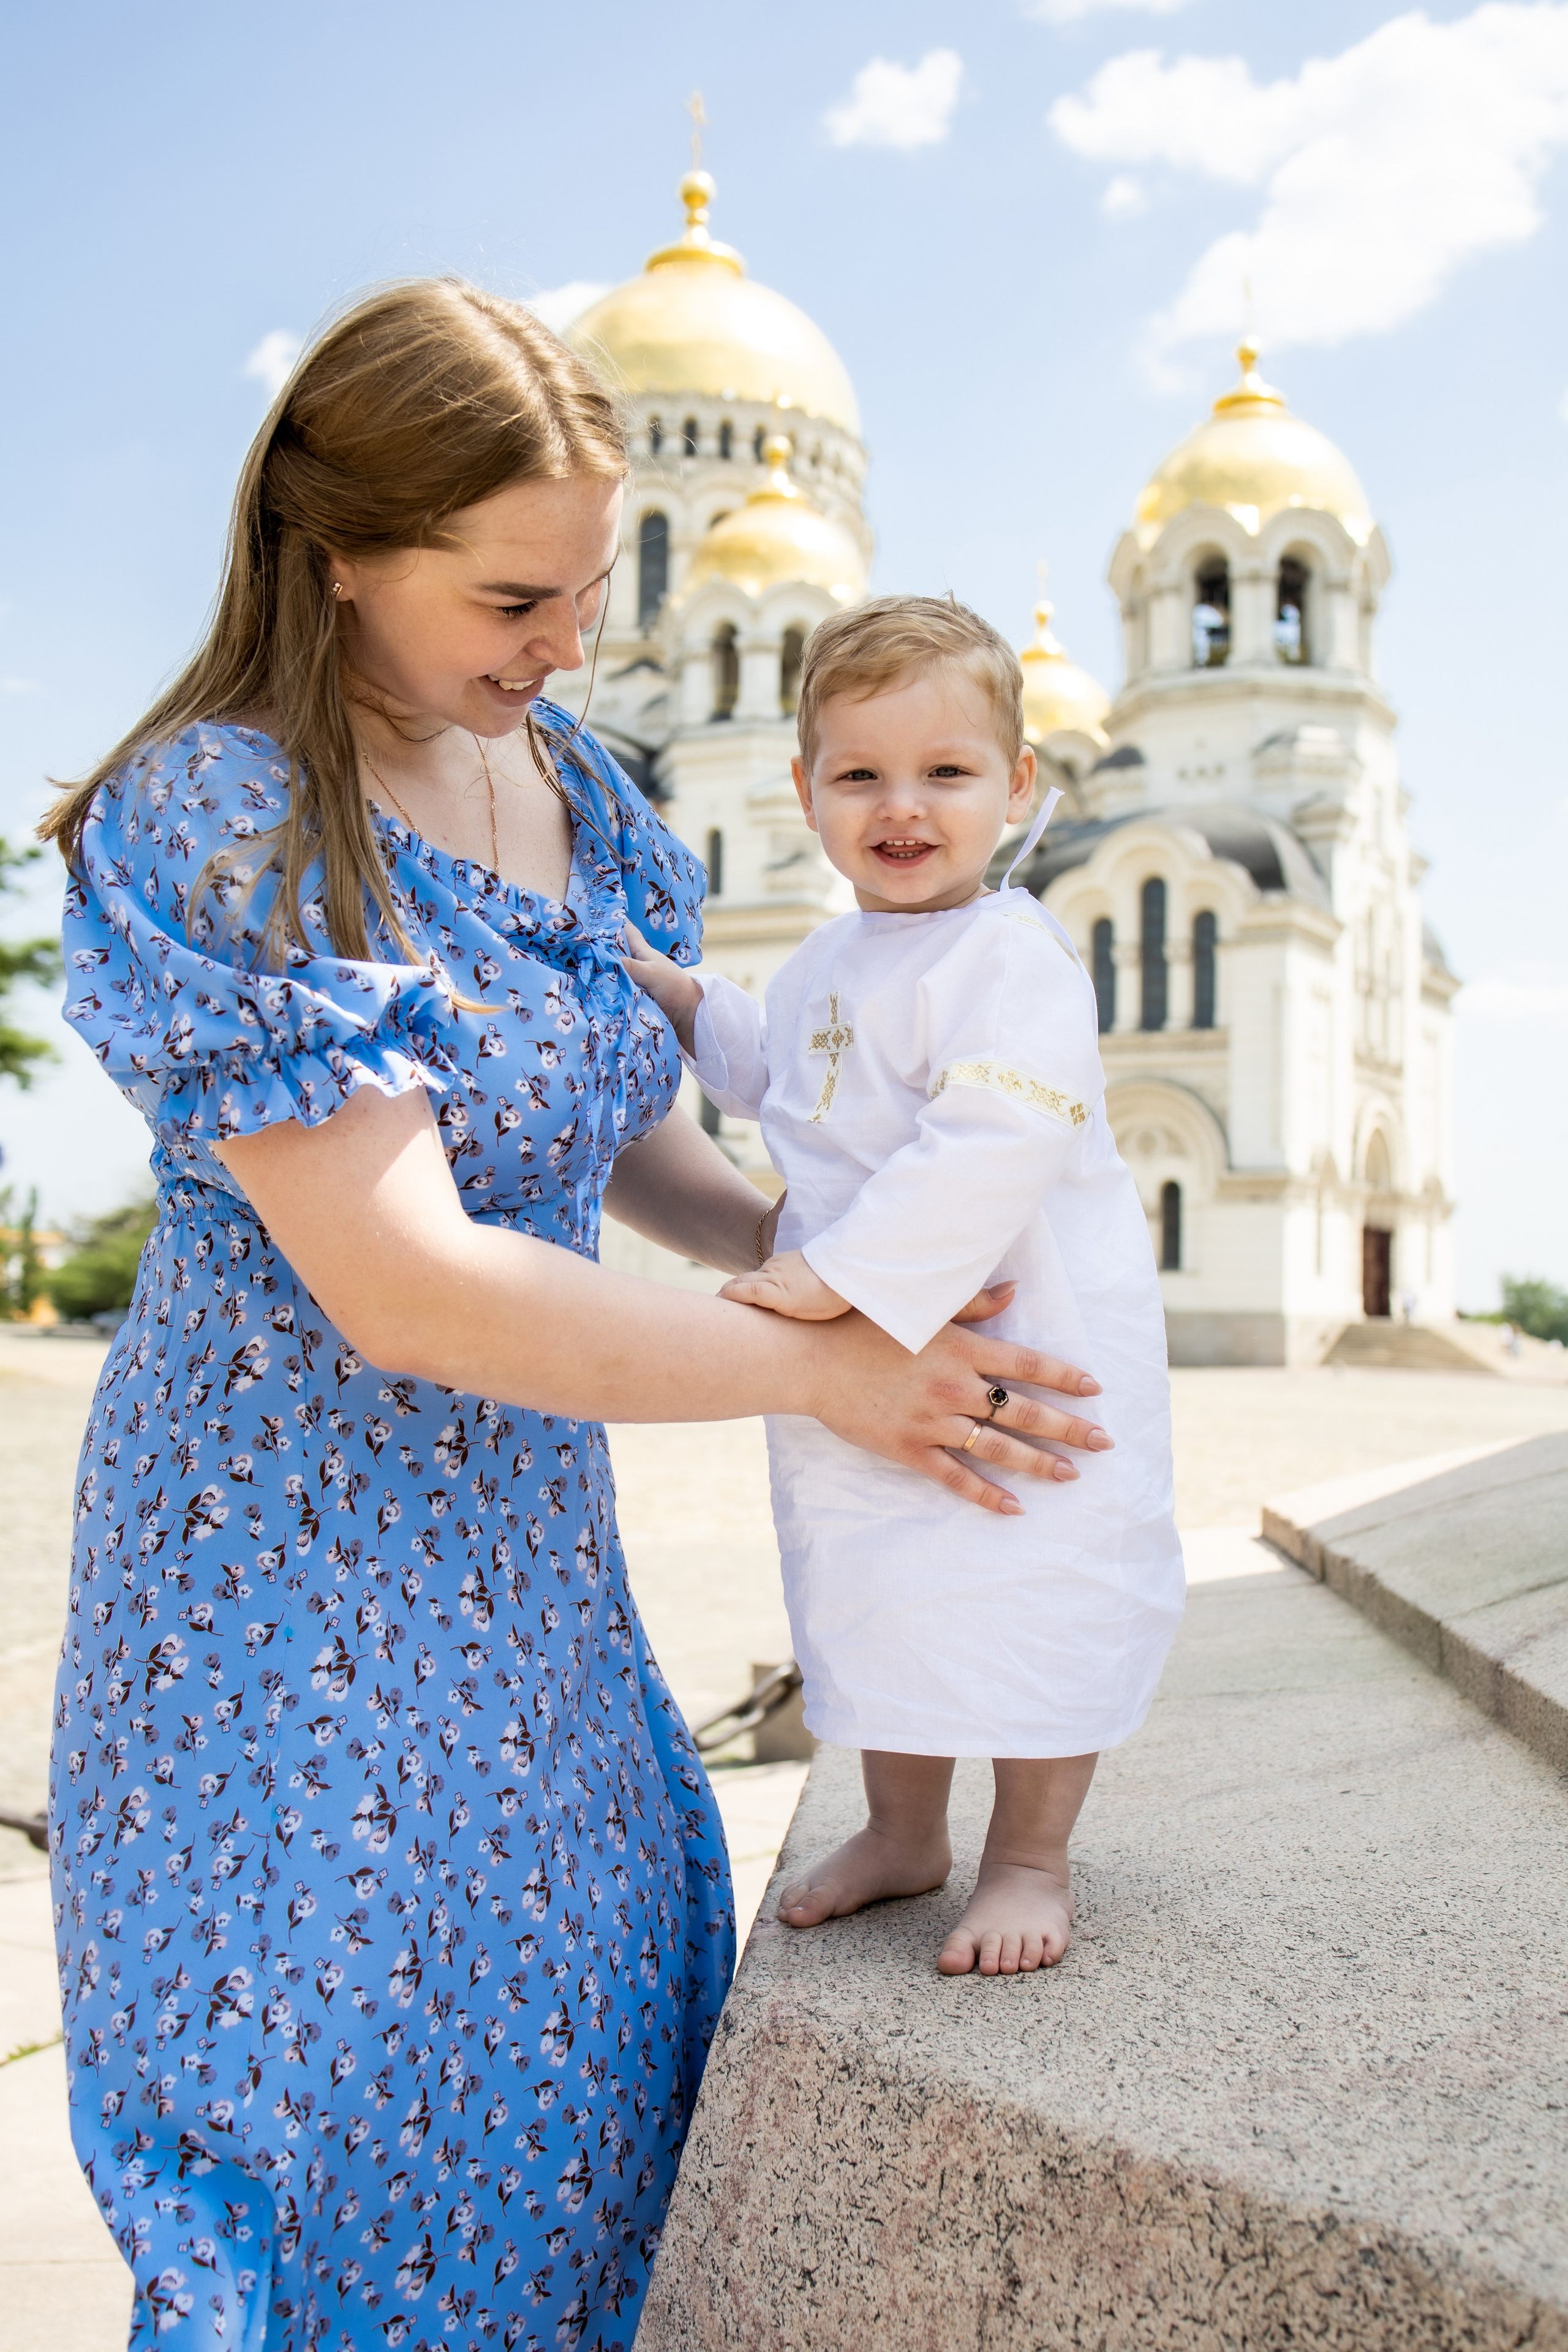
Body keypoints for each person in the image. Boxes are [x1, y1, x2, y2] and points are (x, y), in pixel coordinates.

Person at [39, 287, 1109, 2351]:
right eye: (512, 595)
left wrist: (866, 1248)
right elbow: (414, 1283)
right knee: (320, 2110)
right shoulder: (226, 812)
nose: (563, 645)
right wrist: (834, 1371)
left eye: (594, 590)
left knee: (596, 2055)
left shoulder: (577, 793)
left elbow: (618, 1140)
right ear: (334, 547)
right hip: (280, 1590)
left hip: (528, 1564)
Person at [627, 597, 1186, 1981]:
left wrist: (833, 1277)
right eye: (858, 774)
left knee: (1029, 1583)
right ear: (805, 791)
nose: (901, 806)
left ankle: (1028, 1856)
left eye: (944, 772)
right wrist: (675, 997)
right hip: (866, 1358)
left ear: (1017, 788)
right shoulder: (831, 954)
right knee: (879, 1591)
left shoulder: (1012, 956)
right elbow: (773, 1067)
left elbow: (991, 1139)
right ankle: (900, 1829)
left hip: (1013, 1343)